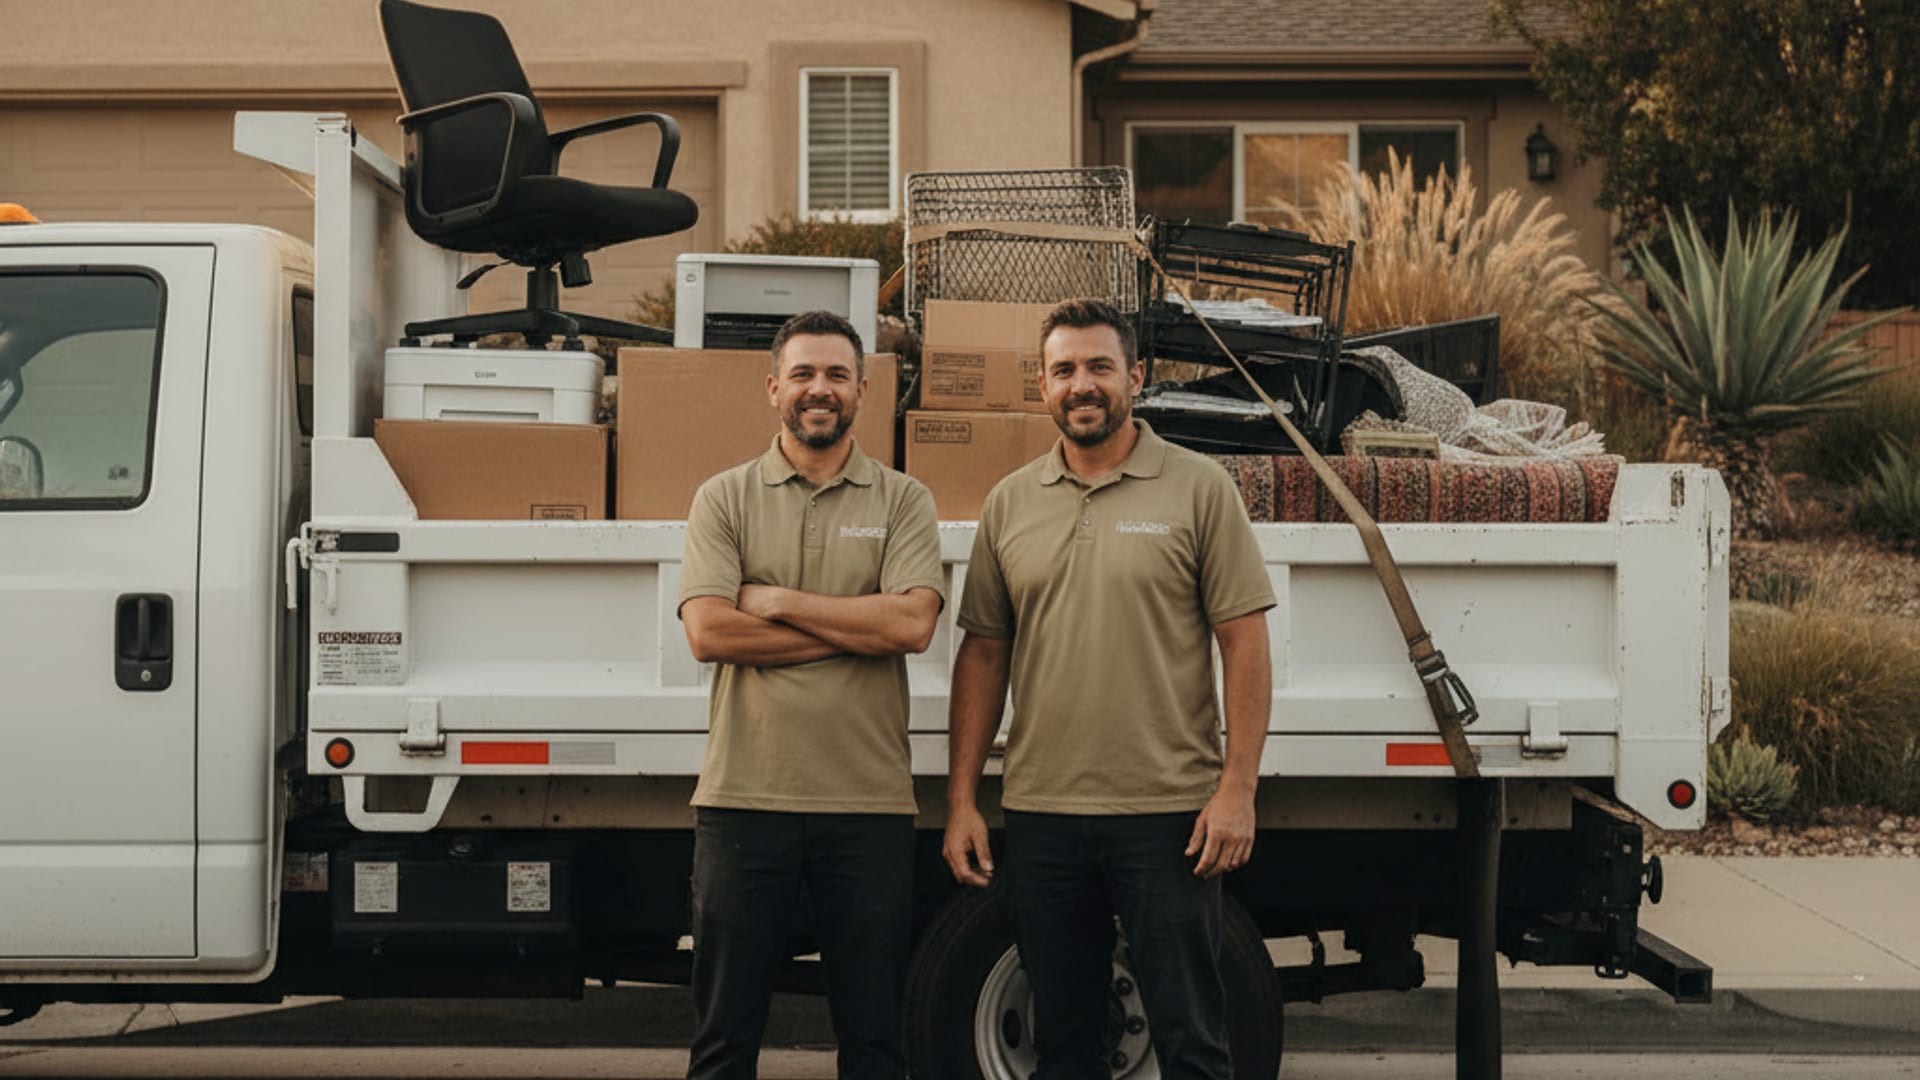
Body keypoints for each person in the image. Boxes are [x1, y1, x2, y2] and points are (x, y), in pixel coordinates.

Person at [942, 298, 1275, 1080]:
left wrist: (1238, 789)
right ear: (1042, 385)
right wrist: (962, 800)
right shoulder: (1011, 501)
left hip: (1168, 819)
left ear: (1136, 376)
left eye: (1098, 367)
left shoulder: (1198, 488)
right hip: (1043, 816)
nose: (1080, 385)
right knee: (1067, 1047)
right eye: (1063, 370)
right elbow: (983, 655)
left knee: (1191, 1040)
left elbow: (1245, 644)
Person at [678, 309, 944, 1080]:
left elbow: (913, 623)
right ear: (772, 388)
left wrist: (778, 600)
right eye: (802, 374)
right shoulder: (723, 497)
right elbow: (710, 635)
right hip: (743, 801)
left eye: (835, 375)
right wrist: (854, 630)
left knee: (874, 1042)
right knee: (725, 1040)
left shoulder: (903, 501)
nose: (818, 389)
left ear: (864, 389)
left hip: (867, 806)